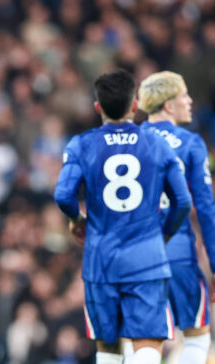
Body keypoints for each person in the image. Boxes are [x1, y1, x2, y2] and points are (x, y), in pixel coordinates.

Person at [53, 70, 192, 364]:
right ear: (134, 106)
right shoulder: (157, 143)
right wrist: (164, 234)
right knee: (147, 343)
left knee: (109, 347)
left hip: (101, 258)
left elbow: (63, 195)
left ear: (97, 108)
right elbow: (182, 201)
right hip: (147, 257)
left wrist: (77, 220)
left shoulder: (81, 144)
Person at [136, 71, 215, 364]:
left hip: (132, 255)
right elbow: (206, 209)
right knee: (198, 337)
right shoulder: (190, 143)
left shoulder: (124, 142)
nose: (189, 101)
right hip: (176, 252)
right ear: (167, 105)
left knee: (144, 343)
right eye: (184, 96)